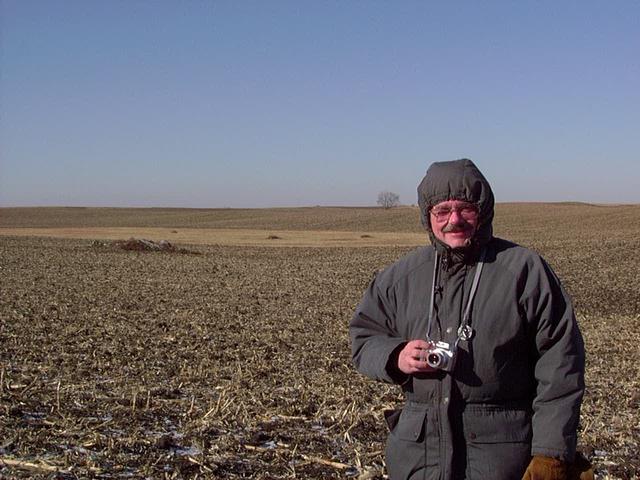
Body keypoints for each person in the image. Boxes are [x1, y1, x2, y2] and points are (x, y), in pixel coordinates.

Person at [349, 159, 590, 480]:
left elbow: (561, 365)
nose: (454, 220)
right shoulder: (401, 277)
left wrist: (551, 454)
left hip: (502, 455)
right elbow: (363, 337)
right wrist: (396, 356)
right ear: (427, 215)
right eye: (442, 211)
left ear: (484, 210)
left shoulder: (524, 271)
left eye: (465, 208)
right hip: (418, 457)